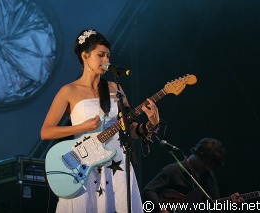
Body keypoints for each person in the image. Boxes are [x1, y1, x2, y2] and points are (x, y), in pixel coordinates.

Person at [41, 29, 160, 213]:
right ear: (85, 56)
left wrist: (151, 123)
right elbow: (46, 131)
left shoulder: (115, 88)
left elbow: (132, 130)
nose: (107, 60)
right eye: (101, 55)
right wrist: (82, 127)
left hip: (117, 164)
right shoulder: (69, 91)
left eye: (108, 56)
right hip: (85, 166)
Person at [142, 138, 244, 213]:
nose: (207, 168)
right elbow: (148, 191)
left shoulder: (209, 176)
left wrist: (231, 204)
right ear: (197, 153)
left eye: (211, 166)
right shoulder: (173, 170)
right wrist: (161, 210)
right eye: (206, 163)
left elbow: (215, 206)